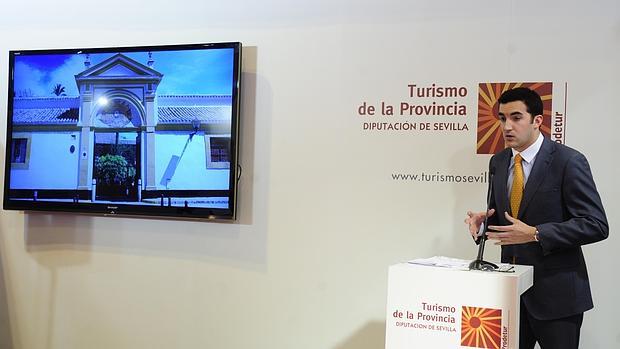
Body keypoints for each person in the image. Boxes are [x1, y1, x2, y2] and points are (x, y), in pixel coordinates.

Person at [465, 87, 608, 349]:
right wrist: (483, 225)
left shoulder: (568, 161)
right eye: (502, 118)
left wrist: (536, 233)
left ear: (537, 121)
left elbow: (596, 224)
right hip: (510, 294)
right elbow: (507, 221)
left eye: (516, 117)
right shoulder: (498, 162)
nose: (507, 126)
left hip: (557, 297)